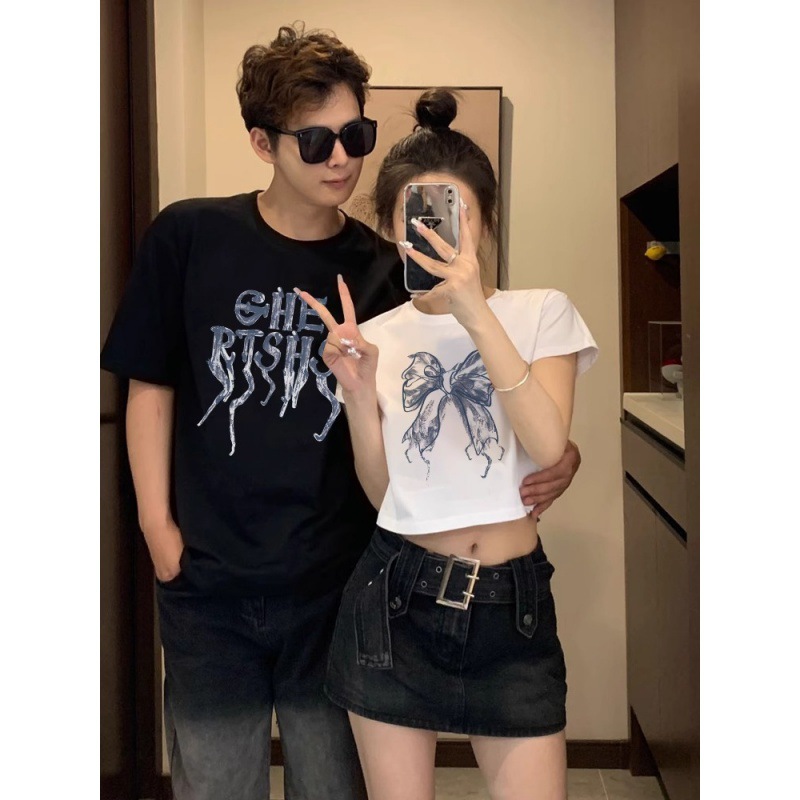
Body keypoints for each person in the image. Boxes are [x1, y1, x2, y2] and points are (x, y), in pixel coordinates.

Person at [100, 23, 582, 800]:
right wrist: (158, 531)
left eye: (356, 136)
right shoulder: (190, 236)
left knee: (333, 787)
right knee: (216, 785)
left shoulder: (388, 272)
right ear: (262, 143)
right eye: (316, 140)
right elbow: (150, 387)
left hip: (342, 583)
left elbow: (449, 418)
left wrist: (560, 453)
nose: (341, 159)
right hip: (209, 584)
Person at [298, 88, 599, 800]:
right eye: (419, 218)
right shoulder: (376, 335)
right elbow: (386, 496)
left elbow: (547, 444)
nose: (437, 235)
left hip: (511, 609)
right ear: (390, 227)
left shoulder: (541, 312)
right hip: (395, 599)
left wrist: (474, 313)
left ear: (486, 220)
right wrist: (356, 392)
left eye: (456, 215)